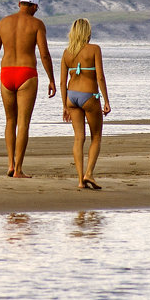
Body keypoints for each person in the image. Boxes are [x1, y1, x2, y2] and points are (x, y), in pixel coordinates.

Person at [0, 0, 56, 178]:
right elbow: (44, 54)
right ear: (34, 6)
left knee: (10, 121)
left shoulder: (3, 23)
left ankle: (10, 164)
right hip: (26, 73)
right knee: (23, 123)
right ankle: (18, 169)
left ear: (19, 4)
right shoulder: (37, 24)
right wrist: (51, 79)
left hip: (6, 73)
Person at [59, 18, 110, 190]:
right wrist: (106, 100)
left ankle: (80, 181)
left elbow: (62, 82)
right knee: (96, 137)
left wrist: (64, 106)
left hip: (71, 97)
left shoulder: (67, 53)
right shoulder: (94, 49)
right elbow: (100, 77)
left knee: (78, 138)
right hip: (89, 96)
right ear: (87, 32)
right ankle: (89, 173)